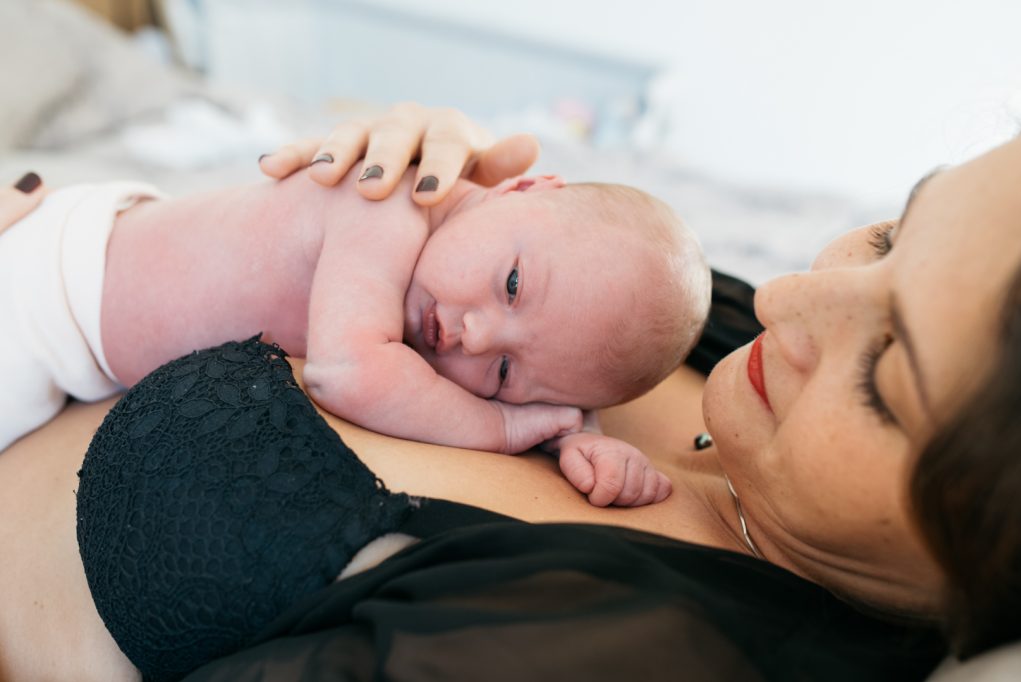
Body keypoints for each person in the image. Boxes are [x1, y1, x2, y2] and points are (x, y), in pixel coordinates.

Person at [1, 102, 1021, 682]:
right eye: (890, 232)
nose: (793, 297)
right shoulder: (710, 329)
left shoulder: (617, 652)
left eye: (884, 375)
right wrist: (408, 184)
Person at [0, 162, 711, 506]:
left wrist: (575, 431)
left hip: (97, 251)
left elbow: (554, 366)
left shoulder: (464, 268)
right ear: (524, 187)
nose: (470, 333)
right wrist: (499, 422)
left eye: (502, 370)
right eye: (513, 285)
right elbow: (347, 373)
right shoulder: (387, 210)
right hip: (43, 302)